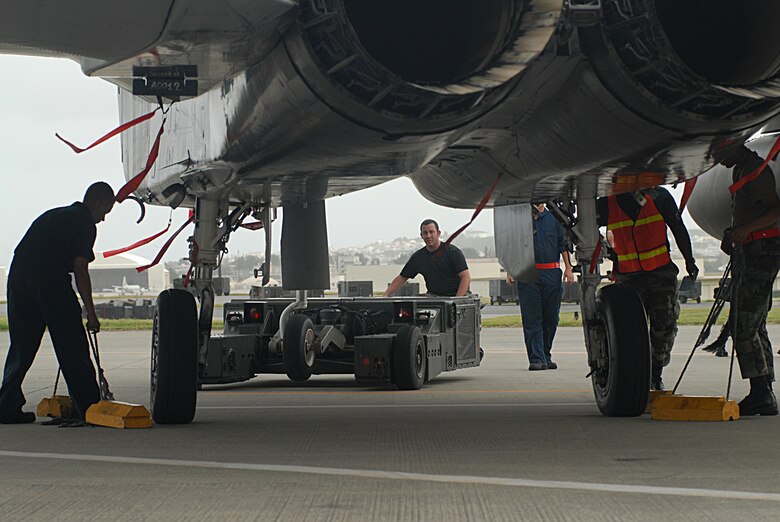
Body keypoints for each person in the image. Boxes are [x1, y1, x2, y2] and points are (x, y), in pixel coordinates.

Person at [0, 182, 115, 423]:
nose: (103, 219)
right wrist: (91, 313)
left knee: (22, 345)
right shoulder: (84, 223)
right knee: (71, 343)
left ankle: (6, 406)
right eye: (105, 212)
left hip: (18, 277)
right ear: (99, 203)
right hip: (49, 279)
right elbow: (80, 270)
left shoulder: (53, 215)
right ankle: (88, 407)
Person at [597, 186, 698, 391]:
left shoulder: (659, 197)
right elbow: (586, 224)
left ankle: (655, 374)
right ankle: (631, 373)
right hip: (629, 278)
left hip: (660, 274)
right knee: (628, 330)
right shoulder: (607, 203)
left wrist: (690, 261)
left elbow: (678, 228)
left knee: (664, 325)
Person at [719, 144, 780, 416]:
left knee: (743, 325)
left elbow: (775, 212)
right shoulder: (742, 168)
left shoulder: (757, 170)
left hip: (762, 252)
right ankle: (763, 388)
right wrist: (735, 233)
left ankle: (761, 392)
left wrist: (746, 230)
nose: (718, 161)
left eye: (721, 153)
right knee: (755, 325)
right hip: (752, 251)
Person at [507, 204, 574, 371]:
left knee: (551, 318)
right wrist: (510, 270)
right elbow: (513, 246)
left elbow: (563, 245)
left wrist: (568, 268)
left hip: (551, 273)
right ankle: (537, 358)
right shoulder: (521, 222)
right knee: (532, 318)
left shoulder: (555, 219)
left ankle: (545, 354)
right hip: (528, 274)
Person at [384, 219, 471, 297]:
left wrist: (457, 300)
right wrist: (386, 295)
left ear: (438, 233)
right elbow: (402, 278)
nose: (428, 236)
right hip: (434, 296)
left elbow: (465, 277)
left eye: (431, 232)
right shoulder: (418, 257)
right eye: (425, 233)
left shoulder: (453, 252)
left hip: (457, 296)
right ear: (421, 235)